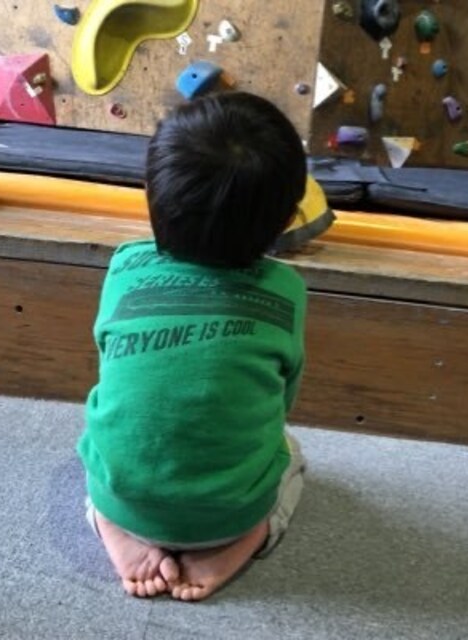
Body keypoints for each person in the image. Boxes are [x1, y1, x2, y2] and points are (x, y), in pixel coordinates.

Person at [76, 91, 308, 602]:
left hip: (123, 501)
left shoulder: (124, 267)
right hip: (227, 516)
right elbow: (282, 400)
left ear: (150, 193)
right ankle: (248, 536)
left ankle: (110, 523)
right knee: (292, 456)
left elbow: (110, 363)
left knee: (103, 441)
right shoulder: (287, 291)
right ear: (289, 217)